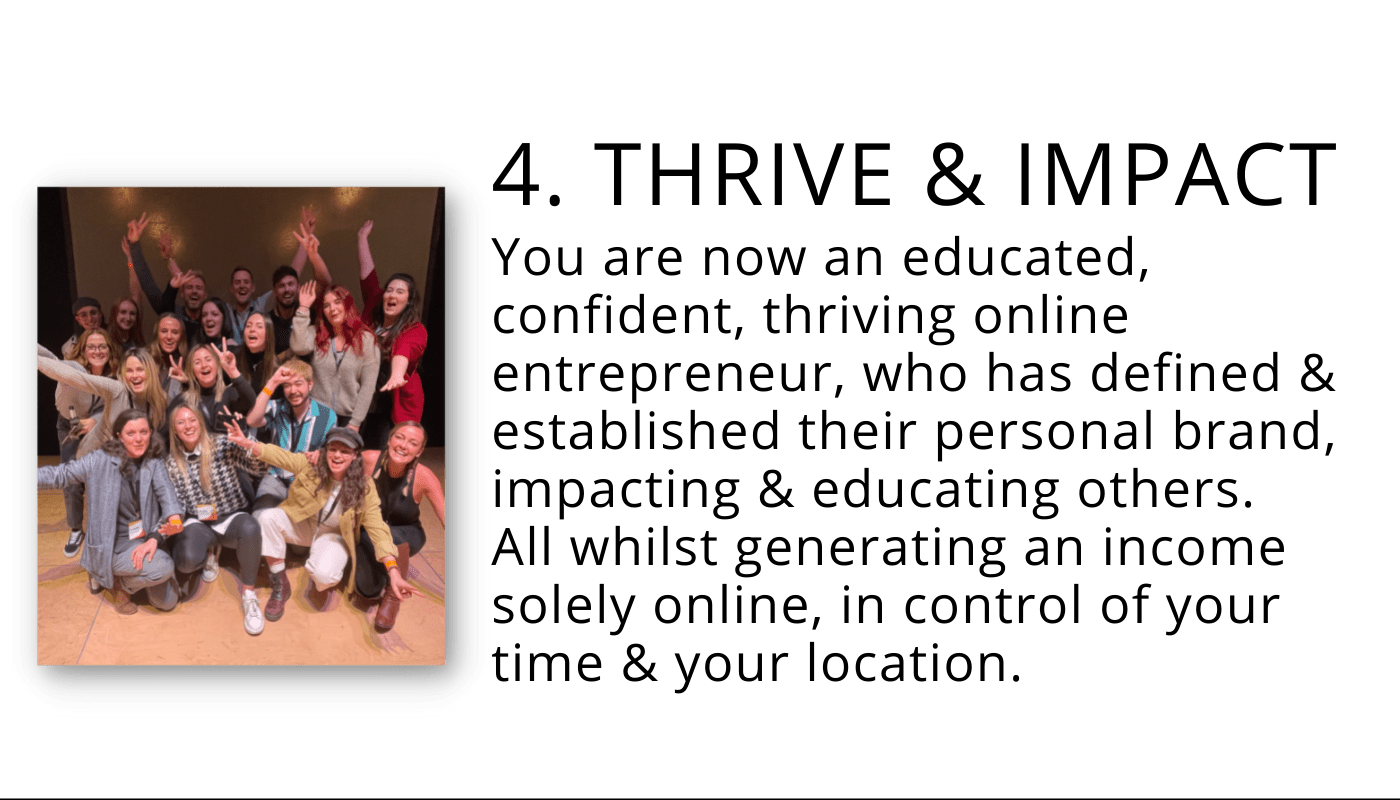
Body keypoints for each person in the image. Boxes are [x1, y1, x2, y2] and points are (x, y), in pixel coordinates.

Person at [223, 421, 423, 623]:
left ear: (355, 456)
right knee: (267, 517)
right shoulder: (311, 466)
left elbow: (378, 528)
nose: (337, 455)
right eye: (333, 449)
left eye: (345, 451)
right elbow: (280, 456)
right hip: (305, 525)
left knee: (323, 577)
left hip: (334, 535)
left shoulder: (365, 487)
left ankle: (330, 561)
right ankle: (280, 583)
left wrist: (393, 571)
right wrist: (247, 443)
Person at [37, 410, 184, 614]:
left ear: (151, 433)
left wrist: (170, 523)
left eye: (143, 432)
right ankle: (120, 585)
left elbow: (167, 493)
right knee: (164, 567)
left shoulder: (154, 461)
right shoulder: (100, 460)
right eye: (131, 433)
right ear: (119, 436)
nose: (139, 439)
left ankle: (125, 580)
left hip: (144, 539)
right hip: (113, 546)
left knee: (167, 602)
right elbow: (62, 474)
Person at [164, 403, 270, 634]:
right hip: (199, 522)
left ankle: (249, 595)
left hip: (230, 516)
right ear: (175, 430)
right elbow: (178, 504)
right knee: (185, 560)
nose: (188, 426)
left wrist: (248, 443)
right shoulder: (172, 462)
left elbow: (261, 469)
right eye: (181, 422)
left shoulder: (222, 444)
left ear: (200, 423)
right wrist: (170, 525)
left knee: (251, 527)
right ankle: (210, 552)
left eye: (192, 420)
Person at [354, 421, 444, 631]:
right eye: (399, 437)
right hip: (371, 532)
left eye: (413, 443)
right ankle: (385, 571)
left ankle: (393, 597)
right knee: (367, 590)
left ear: (419, 451)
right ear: (389, 440)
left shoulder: (424, 476)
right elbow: (337, 461)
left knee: (392, 536)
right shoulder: (369, 459)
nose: (404, 445)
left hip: (406, 534)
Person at [356, 219, 429, 449]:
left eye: (400, 292)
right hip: (363, 395)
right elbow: (368, 276)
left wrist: (397, 374)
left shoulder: (415, 330)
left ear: (408, 301)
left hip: (392, 402)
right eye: (389, 290)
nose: (392, 295)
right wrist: (362, 239)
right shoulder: (374, 309)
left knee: (380, 453)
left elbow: (403, 350)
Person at [38, 344, 180, 458]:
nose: (135, 375)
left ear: (150, 372)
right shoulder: (116, 389)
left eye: (140, 369)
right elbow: (73, 376)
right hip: (94, 457)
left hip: (126, 460)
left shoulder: (161, 399)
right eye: (129, 371)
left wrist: (186, 382)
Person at [52, 328, 120, 558]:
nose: (97, 351)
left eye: (102, 346)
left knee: (99, 479)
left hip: (101, 425)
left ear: (109, 349)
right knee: (71, 480)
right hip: (70, 425)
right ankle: (75, 529)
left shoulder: (116, 374)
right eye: (91, 346)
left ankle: (100, 529)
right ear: (83, 349)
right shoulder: (72, 369)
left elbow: (117, 404)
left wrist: (94, 421)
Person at [243, 360, 336, 513]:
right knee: (259, 518)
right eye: (287, 385)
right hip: (275, 477)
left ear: (310, 384)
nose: (293, 391)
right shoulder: (276, 407)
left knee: (299, 522)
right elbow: (252, 420)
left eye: (298, 384)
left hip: (307, 480)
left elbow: (333, 452)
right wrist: (273, 382)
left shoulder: (327, 415)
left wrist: (322, 453)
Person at [290, 273, 378, 432]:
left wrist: (355, 422)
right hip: (316, 414)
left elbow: (368, 386)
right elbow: (298, 346)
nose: (332, 309)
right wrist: (303, 308)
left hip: (349, 418)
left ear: (347, 304)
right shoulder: (317, 333)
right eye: (326, 305)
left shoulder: (366, 339)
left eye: (337, 302)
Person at [171, 341, 256, 432]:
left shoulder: (229, 393)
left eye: (208, 360)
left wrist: (232, 370)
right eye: (197, 362)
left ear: (217, 364)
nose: (204, 365)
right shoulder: (183, 400)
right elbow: (165, 433)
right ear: (192, 371)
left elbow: (250, 401)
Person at [147, 313, 190, 389]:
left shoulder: (188, 363)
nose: (169, 337)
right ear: (157, 334)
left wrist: (187, 383)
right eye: (164, 331)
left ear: (181, 337)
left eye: (174, 332)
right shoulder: (145, 360)